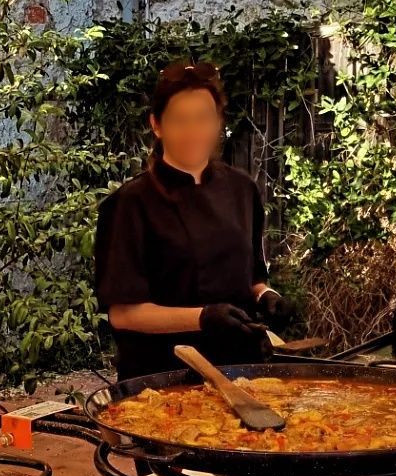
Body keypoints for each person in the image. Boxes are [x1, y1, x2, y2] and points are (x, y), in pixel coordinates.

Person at [94, 59, 287, 382]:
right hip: (162, 381)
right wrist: (202, 318)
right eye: (181, 120)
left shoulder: (242, 189)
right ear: (157, 125)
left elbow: (253, 277)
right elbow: (123, 314)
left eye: (203, 118)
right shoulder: (129, 204)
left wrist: (265, 295)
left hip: (244, 371)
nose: (194, 131)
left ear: (218, 122)